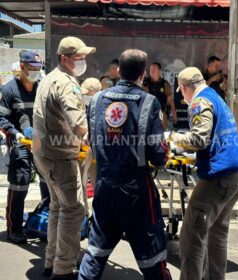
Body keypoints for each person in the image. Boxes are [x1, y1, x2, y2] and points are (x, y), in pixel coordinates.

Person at [79, 49, 172, 280]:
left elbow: (92, 138)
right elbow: (158, 155)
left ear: (119, 70)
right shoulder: (149, 103)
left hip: (104, 185)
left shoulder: (98, 99)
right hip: (136, 191)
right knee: (151, 255)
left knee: (95, 252)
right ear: (142, 74)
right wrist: (164, 154)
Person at [168, 67, 238, 280]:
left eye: (181, 92)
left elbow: (199, 139)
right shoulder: (214, 96)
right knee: (216, 235)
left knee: (191, 237)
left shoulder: (198, 101)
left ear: (185, 88)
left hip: (219, 176)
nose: (183, 98)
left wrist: (173, 137)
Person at [32, 36, 95, 280]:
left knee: (57, 208)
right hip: (60, 158)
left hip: (43, 155)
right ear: (64, 58)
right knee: (74, 210)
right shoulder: (67, 84)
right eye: (78, 58)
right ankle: (63, 270)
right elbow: (79, 123)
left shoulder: (47, 79)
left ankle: (51, 263)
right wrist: (97, 138)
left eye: (83, 57)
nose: (82, 61)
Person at [0, 50, 44, 244]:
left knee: (47, 181)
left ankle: (39, 223)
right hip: (19, 141)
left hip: (41, 141)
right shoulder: (10, 90)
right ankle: (14, 228)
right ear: (22, 66)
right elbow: (1, 117)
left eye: (38, 68)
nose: (35, 71)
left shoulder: (41, 88)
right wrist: (15, 132)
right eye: (32, 68)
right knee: (20, 181)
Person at [143, 62, 177, 129]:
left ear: (159, 71)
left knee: (162, 133)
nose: (152, 71)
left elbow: (170, 100)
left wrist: (174, 114)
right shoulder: (145, 83)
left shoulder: (165, 84)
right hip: (148, 113)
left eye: (154, 69)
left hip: (162, 112)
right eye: (151, 70)